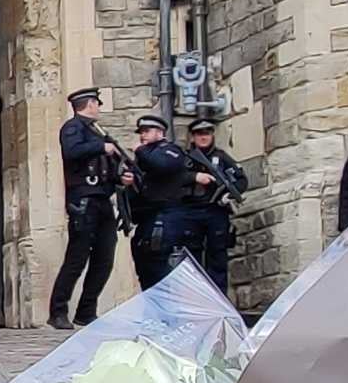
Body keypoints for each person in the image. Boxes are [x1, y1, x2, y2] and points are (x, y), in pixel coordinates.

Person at [48, 88, 123, 326]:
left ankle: (86, 311)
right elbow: (72, 153)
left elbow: (107, 168)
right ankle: (58, 311)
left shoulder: (97, 132)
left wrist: (122, 178)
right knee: (77, 258)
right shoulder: (73, 128)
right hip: (83, 200)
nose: (99, 108)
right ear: (89, 104)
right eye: (97, 104)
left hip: (101, 199)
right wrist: (101, 148)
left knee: (104, 258)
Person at [176, 112, 249, 288]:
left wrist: (228, 195)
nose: (203, 137)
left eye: (207, 133)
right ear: (193, 137)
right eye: (199, 134)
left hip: (216, 211)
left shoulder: (221, 157)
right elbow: (173, 180)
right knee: (192, 260)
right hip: (190, 212)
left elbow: (241, 180)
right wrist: (195, 177)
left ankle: (219, 300)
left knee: (218, 257)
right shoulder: (184, 159)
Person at [125, 112, 196, 289]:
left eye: (147, 131)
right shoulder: (144, 158)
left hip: (166, 216)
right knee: (145, 266)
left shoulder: (169, 150)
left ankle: (170, 312)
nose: (143, 136)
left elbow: (163, 165)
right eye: (141, 132)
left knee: (162, 266)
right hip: (146, 218)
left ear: (160, 132)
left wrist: (140, 151)